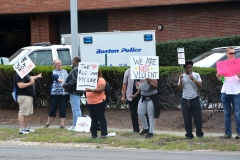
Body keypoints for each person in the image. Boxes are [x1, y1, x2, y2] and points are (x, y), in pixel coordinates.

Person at [216, 46, 240, 139]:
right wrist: (218, 76)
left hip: (236, 92)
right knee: (227, 114)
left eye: (234, 53)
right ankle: (228, 133)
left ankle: (239, 133)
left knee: (237, 113)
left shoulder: (238, 64)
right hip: (225, 92)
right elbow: (221, 79)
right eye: (231, 53)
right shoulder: (223, 65)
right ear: (226, 54)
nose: (232, 55)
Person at [178, 60, 204, 139]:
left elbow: (200, 85)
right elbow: (180, 88)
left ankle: (199, 133)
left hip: (194, 98)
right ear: (185, 68)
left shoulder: (196, 75)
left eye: (190, 67)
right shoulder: (182, 76)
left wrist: (193, 79)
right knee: (187, 117)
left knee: (197, 117)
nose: (189, 69)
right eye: (188, 67)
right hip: (185, 99)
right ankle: (189, 134)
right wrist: (181, 80)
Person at [121, 68, 149, 133]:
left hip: (142, 94)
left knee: (144, 112)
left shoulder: (144, 71)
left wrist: (141, 83)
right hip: (131, 95)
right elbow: (124, 84)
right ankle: (136, 129)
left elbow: (148, 82)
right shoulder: (128, 71)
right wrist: (123, 96)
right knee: (133, 113)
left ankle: (147, 128)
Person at [45, 59, 69, 129]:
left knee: (63, 108)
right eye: (57, 63)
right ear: (54, 65)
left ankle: (62, 124)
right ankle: (48, 123)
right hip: (55, 93)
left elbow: (68, 80)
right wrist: (62, 81)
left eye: (60, 62)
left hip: (64, 93)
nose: (59, 64)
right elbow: (56, 78)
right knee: (53, 108)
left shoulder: (65, 72)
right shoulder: (54, 72)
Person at [85, 70, 108, 139]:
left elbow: (101, 89)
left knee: (101, 118)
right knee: (93, 119)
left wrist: (91, 90)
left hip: (99, 102)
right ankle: (93, 134)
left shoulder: (100, 79)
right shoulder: (89, 80)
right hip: (90, 102)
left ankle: (103, 134)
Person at [62, 56, 82, 131]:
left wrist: (65, 85)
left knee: (76, 108)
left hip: (74, 91)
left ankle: (76, 125)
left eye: (73, 60)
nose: (72, 61)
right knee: (75, 108)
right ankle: (74, 125)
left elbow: (74, 81)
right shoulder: (79, 68)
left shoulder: (75, 69)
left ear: (75, 61)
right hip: (77, 90)